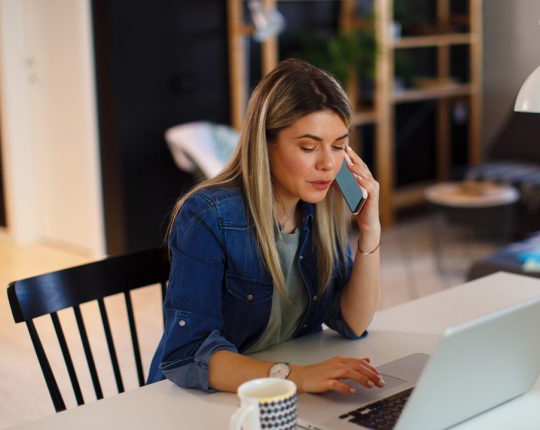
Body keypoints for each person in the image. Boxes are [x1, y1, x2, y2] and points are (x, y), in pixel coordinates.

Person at [147, 59, 385, 395]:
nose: (327, 164)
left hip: (278, 395)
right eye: (308, 147)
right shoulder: (208, 216)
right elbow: (187, 355)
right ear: (265, 143)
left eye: (338, 146)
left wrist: (370, 230)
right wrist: (297, 376)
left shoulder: (320, 207)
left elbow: (353, 322)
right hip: (207, 399)